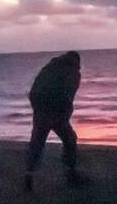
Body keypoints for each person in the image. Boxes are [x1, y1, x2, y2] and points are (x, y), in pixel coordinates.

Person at [24, 50, 84, 191]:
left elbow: (34, 91)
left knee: (37, 143)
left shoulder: (48, 69)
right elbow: (68, 95)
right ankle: (70, 173)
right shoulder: (73, 73)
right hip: (55, 113)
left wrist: (37, 110)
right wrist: (64, 115)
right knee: (70, 139)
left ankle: (28, 174)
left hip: (41, 111)